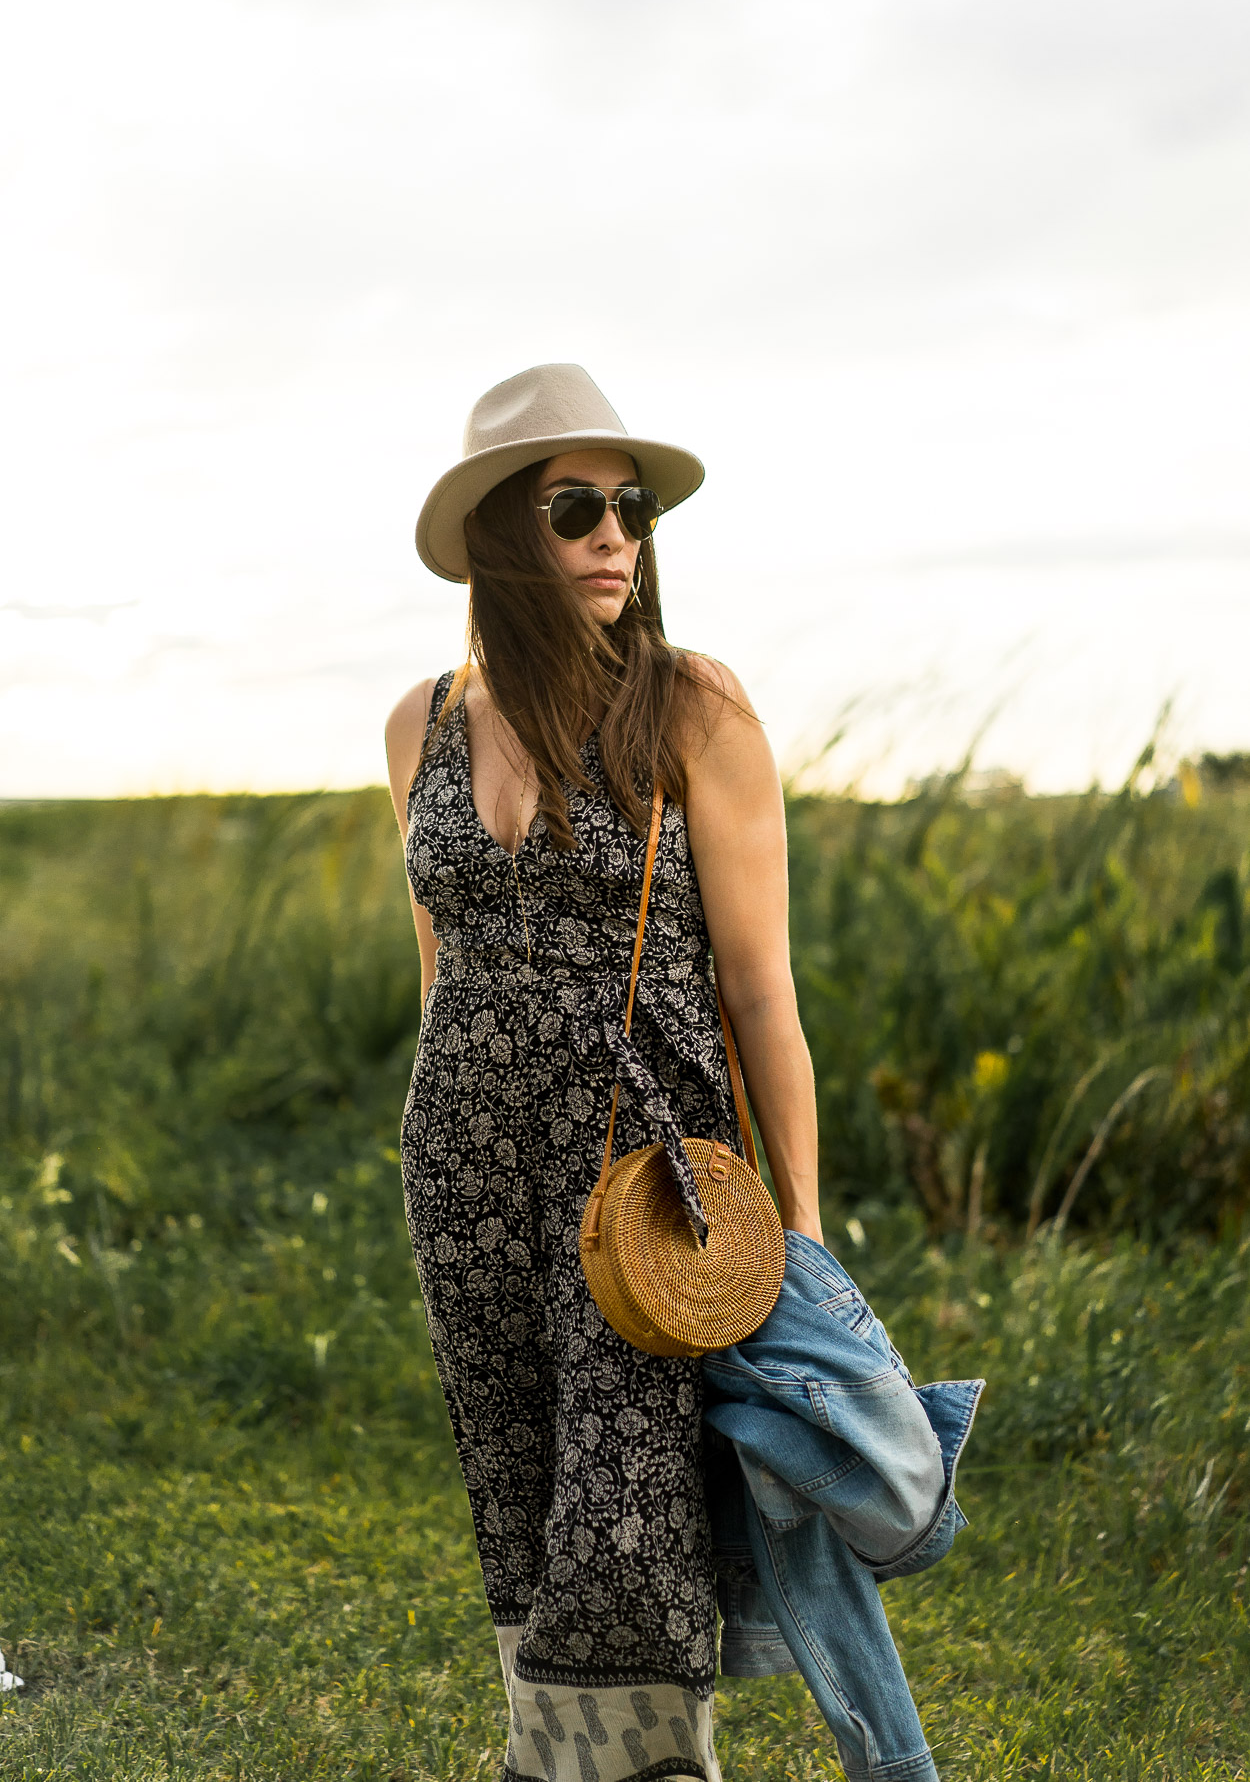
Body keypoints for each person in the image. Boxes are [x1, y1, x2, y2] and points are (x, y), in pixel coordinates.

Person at [385, 364, 823, 1782]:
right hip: (461, 1156)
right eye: (576, 509)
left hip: (640, 1162)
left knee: (628, 1506)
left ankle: (645, 1767)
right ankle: (548, 1755)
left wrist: (801, 1233)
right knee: (515, 1485)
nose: (615, 537)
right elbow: (440, 967)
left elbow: (759, 985)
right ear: (503, 534)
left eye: (628, 509)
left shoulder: (690, 704)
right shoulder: (421, 725)